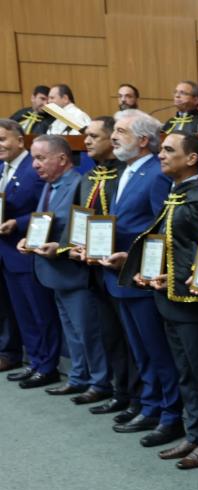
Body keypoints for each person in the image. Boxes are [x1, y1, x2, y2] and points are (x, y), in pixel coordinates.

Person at [120, 132, 198, 469]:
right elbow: (167, 244)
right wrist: (147, 271)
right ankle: (194, 433)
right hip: (167, 298)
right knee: (185, 373)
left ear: (191, 158)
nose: (160, 154)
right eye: (161, 149)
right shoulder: (175, 193)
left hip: (192, 303)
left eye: (169, 150)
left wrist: (174, 278)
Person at [101, 110, 183, 449]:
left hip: (141, 275)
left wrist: (127, 250)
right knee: (140, 350)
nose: (114, 136)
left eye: (121, 131)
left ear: (144, 140)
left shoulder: (156, 174)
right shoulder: (126, 170)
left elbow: (159, 228)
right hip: (117, 273)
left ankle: (170, 415)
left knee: (157, 351)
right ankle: (149, 405)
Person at [20, 135, 112, 405]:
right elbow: (43, 222)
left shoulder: (79, 184)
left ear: (62, 159)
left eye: (40, 158)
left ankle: (99, 382)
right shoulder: (49, 186)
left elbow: (83, 228)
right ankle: (79, 377)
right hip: (52, 271)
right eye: (34, 158)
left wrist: (58, 248)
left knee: (87, 331)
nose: (35, 164)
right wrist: (30, 239)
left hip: (73, 271)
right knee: (71, 330)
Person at [72, 115, 140, 422]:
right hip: (92, 268)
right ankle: (119, 391)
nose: (87, 141)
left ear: (112, 140)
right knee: (109, 335)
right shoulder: (89, 176)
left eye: (94, 136)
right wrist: (73, 246)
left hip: (119, 266)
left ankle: (136, 398)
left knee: (130, 338)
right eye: (86, 136)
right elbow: (80, 220)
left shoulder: (124, 175)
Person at [0, 118, 57, 388]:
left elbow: (46, 208)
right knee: (22, 312)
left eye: (2, 139)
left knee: (38, 311)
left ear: (19, 140)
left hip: (27, 250)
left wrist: (18, 223)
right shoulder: (2, 168)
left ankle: (47, 365)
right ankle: (34, 361)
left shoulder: (34, 169)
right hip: (6, 253)